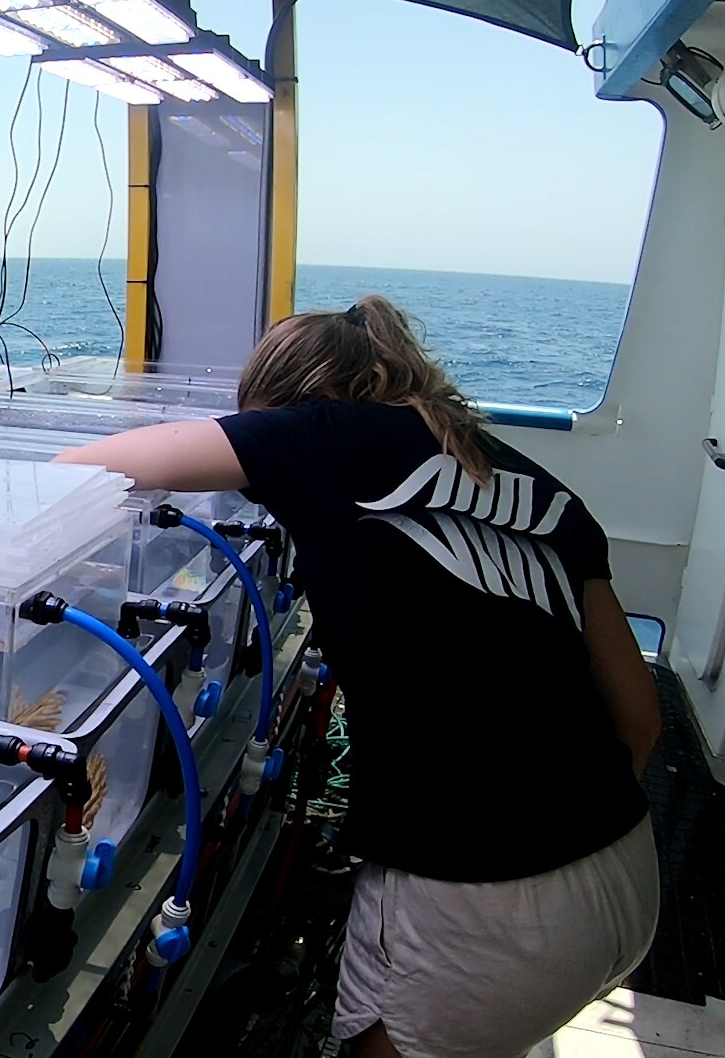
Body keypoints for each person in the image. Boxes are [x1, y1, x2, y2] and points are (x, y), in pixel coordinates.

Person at [57, 296, 661, 1058]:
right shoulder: (540, 488)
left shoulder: (325, 435)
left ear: (303, 401)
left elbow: (81, 471)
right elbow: (640, 718)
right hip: (623, 871)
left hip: (488, 895)